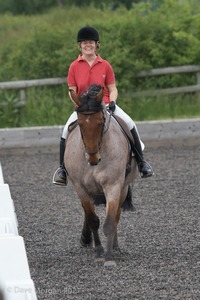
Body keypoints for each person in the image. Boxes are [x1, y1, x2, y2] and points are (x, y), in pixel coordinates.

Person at [52, 26, 154, 186]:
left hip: (105, 105)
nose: (88, 45)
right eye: (84, 42)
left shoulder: (105, 65)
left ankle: (142, 163)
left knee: (129, 123)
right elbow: (71, 90)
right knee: (65, 131)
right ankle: (62, 170)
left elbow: (112, 88)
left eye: (91, 42)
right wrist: (79, 105)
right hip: (84, 108)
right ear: (80, 46)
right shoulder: (74, 66)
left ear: (96, 44)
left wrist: (112, 102)